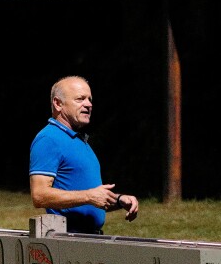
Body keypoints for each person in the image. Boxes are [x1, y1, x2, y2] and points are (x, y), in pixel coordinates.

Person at [29, 76, 139, 234]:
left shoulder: (79, 141)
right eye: (80, 99)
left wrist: (119, 200)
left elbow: (91, 198)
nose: (88, 104)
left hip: (89, 239)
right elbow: (39, 195)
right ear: (58, 103)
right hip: (67, 241)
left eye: (89, 99)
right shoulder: (49, 139)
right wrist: (89, 196)